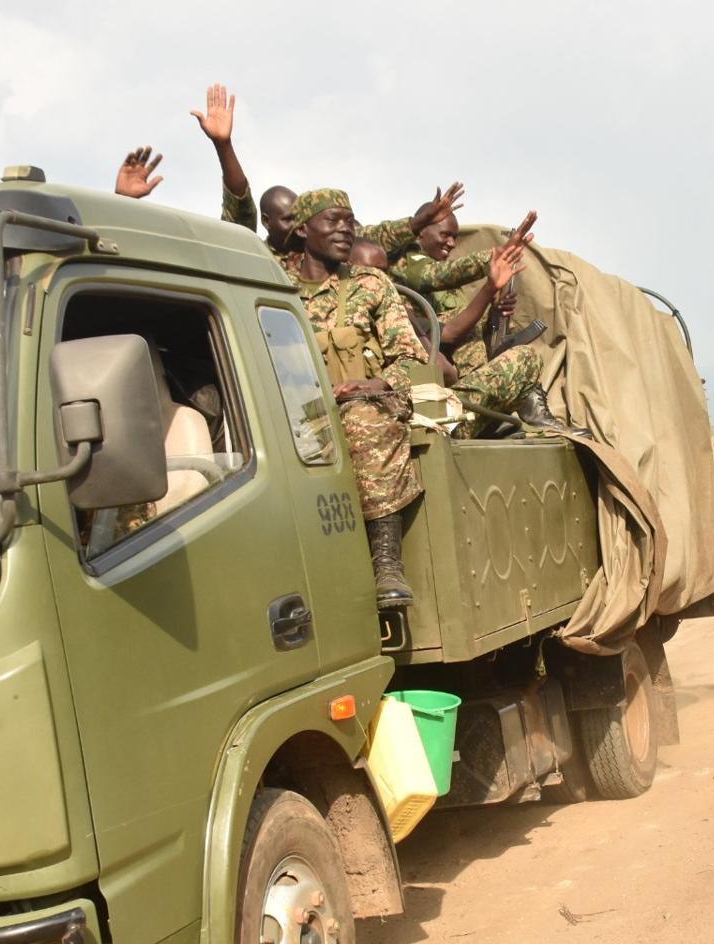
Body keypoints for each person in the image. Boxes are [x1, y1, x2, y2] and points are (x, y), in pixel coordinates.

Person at [272, 187, 429, 608]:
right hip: (291, 407)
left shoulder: (370, 284)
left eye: (349, 221)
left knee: (362, 419)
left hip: (365, 405)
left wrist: (375, 385)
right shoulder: (273, 282)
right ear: (303, 229)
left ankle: (386, 564)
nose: (345, 229)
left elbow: (408, 359)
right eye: (333, 220)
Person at [185, 84, 464, 260]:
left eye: (301, 217)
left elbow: (373, 237)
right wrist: (224, 145)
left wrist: (419, 221)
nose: (297, 224)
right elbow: (240, 207)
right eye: (288, 219)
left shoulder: (313, 256)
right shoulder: (256, 257)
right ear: (268, 223)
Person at [392, 209, 563, 431]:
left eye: (454, 236)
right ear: (421, 232)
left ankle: (494, 406)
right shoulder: (404, 268)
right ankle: (487, 406)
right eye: (445, 235)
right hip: (430, 389)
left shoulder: (449, 293)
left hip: (454, 382)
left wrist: (494, 311)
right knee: (523, 357)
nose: (452, 243)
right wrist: (493, 259)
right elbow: (441, 285)